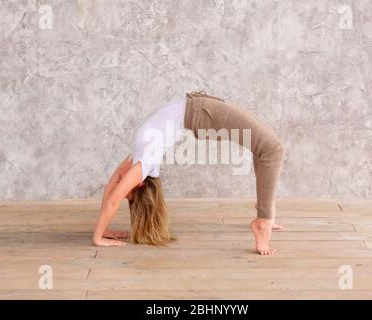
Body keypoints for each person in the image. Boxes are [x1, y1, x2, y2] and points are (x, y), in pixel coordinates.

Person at [92, 91, 285, 255]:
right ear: (140, 183)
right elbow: (113, 200)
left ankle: (266, 214)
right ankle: (263, 221)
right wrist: (97, 238)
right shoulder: (144, 164)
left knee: (266, 147)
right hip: (200, 112)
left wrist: (103, 231)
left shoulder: (135, 159)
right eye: (128, 194)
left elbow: (112, 188)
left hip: (199, 108)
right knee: (272, 149)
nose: (121, 187)